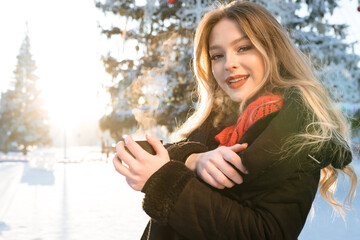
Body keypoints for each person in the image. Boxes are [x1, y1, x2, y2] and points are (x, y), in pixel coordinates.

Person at [113, 1, 358, 239]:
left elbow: (264, 233)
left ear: (272, 51)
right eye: (217, 55)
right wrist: (194, 159)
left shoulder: (297, 132)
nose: (228, 64)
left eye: (243, 48)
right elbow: (151, 153)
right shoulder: (215, 124)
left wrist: (166, 182)